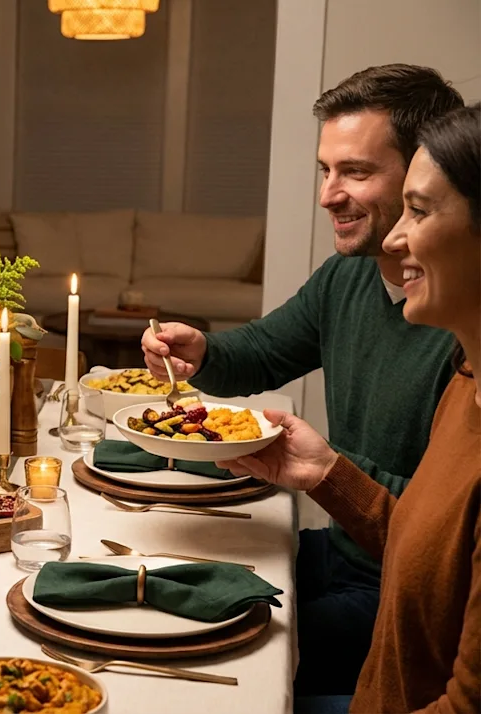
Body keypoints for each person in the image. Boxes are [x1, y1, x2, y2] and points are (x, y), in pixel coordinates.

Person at [139, 64, 464, 696]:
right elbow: (262, 350)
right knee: (166, 569)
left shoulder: (461, 324)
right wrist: (201, 350)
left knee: (192, 650)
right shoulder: (349, 278)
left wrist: (328, 470)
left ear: (426, 171)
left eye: (357, 172)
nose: (328, 195)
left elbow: (443, 533)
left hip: (396, 594)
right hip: (340, 549)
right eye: (326, 170)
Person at [220, 103, 480, 714]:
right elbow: (431, 547)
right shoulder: (469, 385)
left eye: (418, 210)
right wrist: (322, 473)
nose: (393, 239)